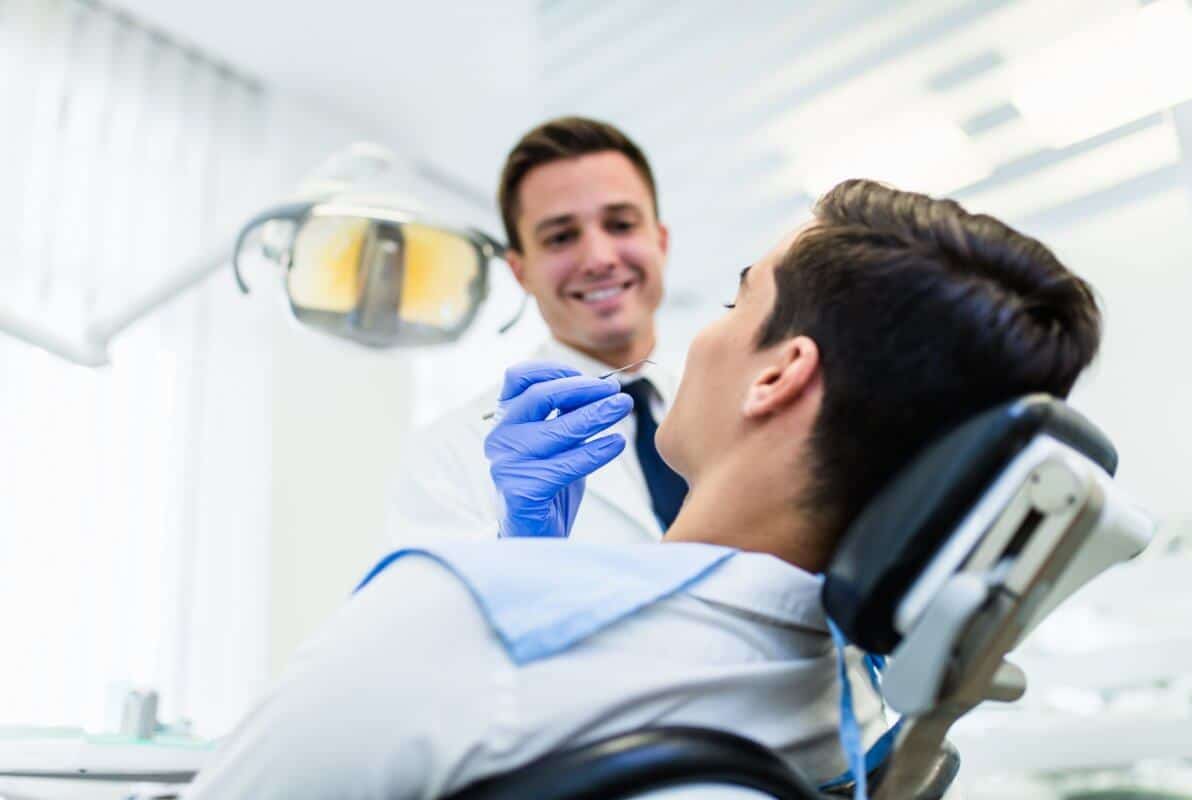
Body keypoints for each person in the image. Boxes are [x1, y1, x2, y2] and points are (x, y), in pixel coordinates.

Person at [186, 180, 1102, 799]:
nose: (703, 336)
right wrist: (530, 561)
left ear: (778, 377)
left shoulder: (454, 616)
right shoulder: (850, 717)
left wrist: (506, 589)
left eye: (736, 302)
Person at [386, 116, 686, 545]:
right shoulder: (451, 455)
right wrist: (519, 548)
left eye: (621, 225)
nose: (598, 258)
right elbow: (437, 608)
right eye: (561, 237)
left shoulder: (742, 406)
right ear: (520, 271)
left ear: (660, 241)